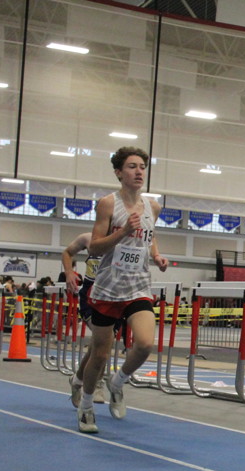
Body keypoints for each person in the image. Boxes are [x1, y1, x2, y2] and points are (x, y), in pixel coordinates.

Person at [77, 146, 169, 433]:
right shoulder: (107, 204)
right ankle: (86, 406)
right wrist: (123, 232)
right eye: (132, 166)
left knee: (144, 344)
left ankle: (117, 384)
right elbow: (94, 247)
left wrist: (156, 255)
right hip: (108, 288)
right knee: (100, 355)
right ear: (119, 172)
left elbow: (150, 237)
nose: (139, 171)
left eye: (142, 166)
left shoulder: (153, 206)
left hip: (138, 286)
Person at [62, 231, 118, 407]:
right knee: (105, 340)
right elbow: (67, 252)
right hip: (90, 295)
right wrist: (69, 272)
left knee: (100, 344)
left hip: (113, 295)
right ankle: (97, 383)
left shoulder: (124, 238)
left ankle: (77, 380)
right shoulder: (87, 238)